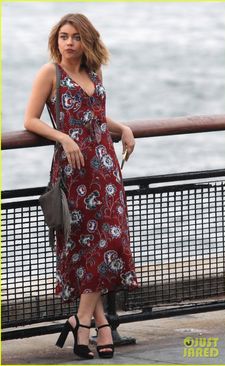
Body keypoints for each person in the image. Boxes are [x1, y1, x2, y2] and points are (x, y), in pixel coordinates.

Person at [24, 13, 139, 360]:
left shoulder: (93, 72)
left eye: (75, 36)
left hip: (105, 169)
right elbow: (29, 120)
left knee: (111, 242)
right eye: (63, 36)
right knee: (87, 248)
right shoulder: (50, 73)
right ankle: (94, 326)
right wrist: (63, 137)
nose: (69, 43)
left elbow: (95, 113)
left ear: (87, 40)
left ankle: (83, 321)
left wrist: (125, 128)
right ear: (56, 40)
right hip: (74, 172)